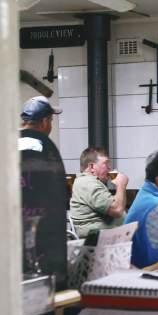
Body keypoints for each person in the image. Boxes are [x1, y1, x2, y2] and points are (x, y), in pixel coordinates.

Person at [19, 96, 68, 289]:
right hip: (46, 242)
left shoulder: (8, 143)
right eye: (51, 121)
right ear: (45, 121)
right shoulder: (46, 147)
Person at [69, 147, 129, 238]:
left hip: (106, 237)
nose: (109, 167)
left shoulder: (89, 182)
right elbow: (117, 210)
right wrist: (121, 185)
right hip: (98, 242)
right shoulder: (87, 183)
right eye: (106, 163)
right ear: (92, 167)